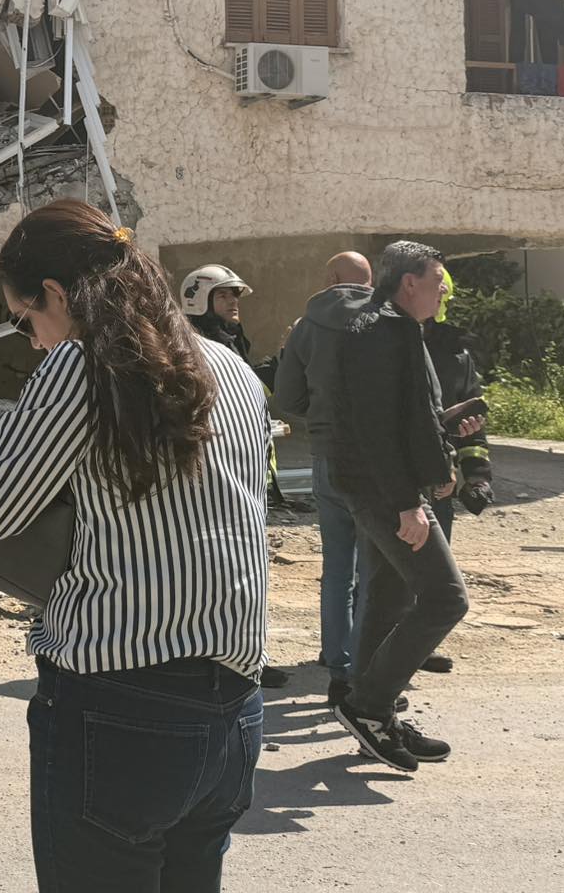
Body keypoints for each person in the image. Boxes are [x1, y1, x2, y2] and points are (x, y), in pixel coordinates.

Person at [0, 201, 268, 892]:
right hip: (234, 713)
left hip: (121, 709)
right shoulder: (232, 371)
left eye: (26, 320)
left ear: (55, 295)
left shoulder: (83, 366)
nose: (31, 342)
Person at [326, 241, 471, 772]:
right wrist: (409, 504)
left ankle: (372, 713)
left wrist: (444, 441)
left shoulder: (395, 330)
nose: (441, 290)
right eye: (436, 279)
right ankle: (368, 706)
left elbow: (409, 415)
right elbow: (376, 433)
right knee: (445, 598)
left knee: (387, 597)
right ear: (408, 282)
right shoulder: (379, 333)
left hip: (389, 487)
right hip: (385, 491)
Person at [182, 263, 291, 689]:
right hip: (215, 482)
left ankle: (245, 656)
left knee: (243, 574)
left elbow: (249, 391)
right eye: (225, 296)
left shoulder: (229, 341)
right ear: (200, 298)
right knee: (217, 576)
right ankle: (222, 658)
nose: (233, 304)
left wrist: (281, 362)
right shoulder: (196, 345)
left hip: (243, 480)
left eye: (235, 297)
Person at [274, 250, 373, 706]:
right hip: (377, 462)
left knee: (337, 569)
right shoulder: (391, 320)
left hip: (328, 458)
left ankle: (337, 663)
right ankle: (367, 665)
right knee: (374, 569)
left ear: (331, 278)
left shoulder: (307, 326)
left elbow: (288, 398)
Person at [417, 265, 493, 676]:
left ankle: (419, 648)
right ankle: (367, 652)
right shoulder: (389, 341)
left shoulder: (457, 353)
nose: (437, 301)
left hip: (442, 480)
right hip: (402, 477)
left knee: (435, 576)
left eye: (442, 294)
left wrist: (478, 476)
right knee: (383, 576)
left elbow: (473, 427)